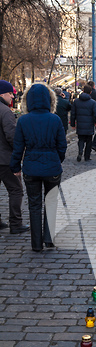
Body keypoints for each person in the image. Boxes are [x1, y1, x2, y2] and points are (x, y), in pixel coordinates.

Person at [10, 83, 67, 251]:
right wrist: (57, 160)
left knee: (34, 205)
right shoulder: (55, 119)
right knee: (51, 203)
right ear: (50, 100)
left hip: (31, 168)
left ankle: (36, 244)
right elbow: (62, 146)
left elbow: (18, 147)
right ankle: (49, 238)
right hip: (52, 168)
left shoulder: (23, 120)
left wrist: (15, 166)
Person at [0, 80, 29, 234]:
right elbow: (12, 136)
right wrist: (19, 155)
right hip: (4, 159)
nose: (12, 96)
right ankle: (16, 223)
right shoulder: (5, 111)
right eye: (10, 93)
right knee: (16, 190)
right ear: (2, 94)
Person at [70, 84, 96, 162]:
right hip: (89, 125)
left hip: (80, 124)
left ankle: (80, 151)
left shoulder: (76, 101)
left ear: (83, 91)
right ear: (90, 92)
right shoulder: (92, 102)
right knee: (89, 141)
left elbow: (73, 113)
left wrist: (73, 124)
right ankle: (87, 156)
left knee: (80, 139)